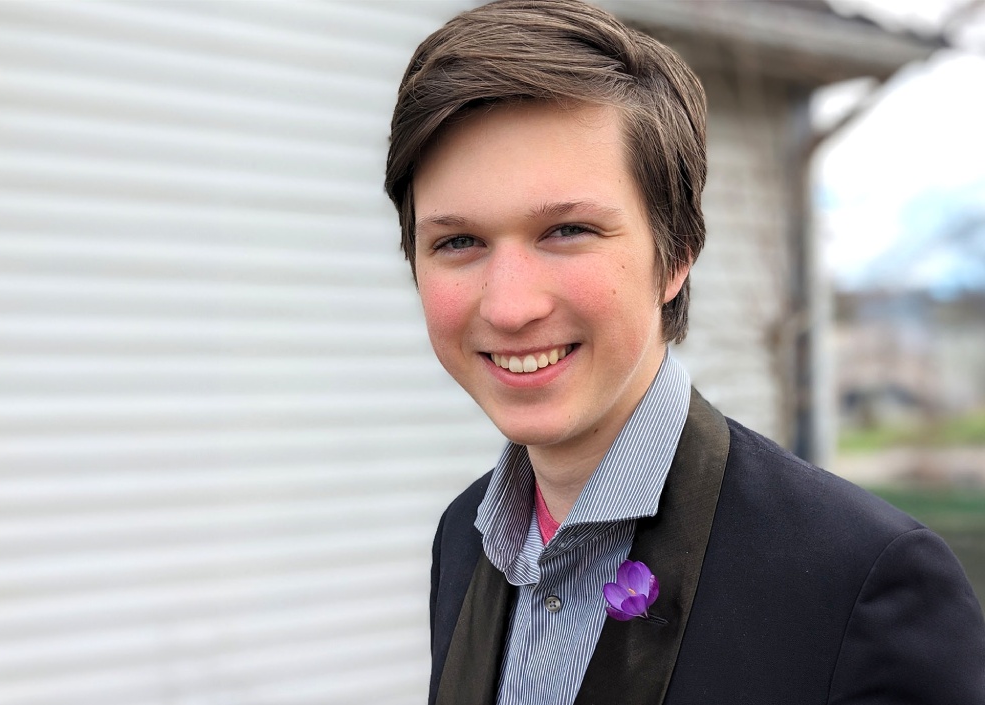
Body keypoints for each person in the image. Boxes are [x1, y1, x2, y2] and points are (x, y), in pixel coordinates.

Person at [383, 1, 985, 704]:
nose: (511, 305)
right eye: (458, 242)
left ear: (676, 257)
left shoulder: (860, 584)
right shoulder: (463, 539)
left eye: (567, 230)